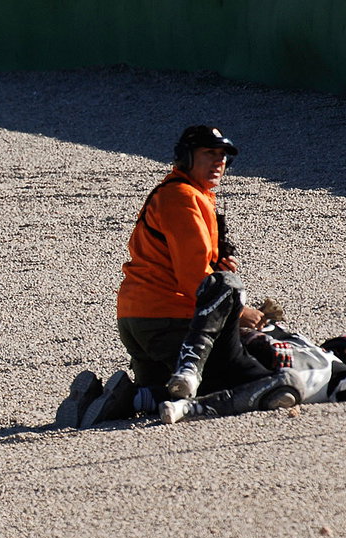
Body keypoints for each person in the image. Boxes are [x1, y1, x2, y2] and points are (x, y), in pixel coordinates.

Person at [77, 125, 263, 426]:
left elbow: (180, 262)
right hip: (169, 319)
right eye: (209, 153)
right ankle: (133, 397)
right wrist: (239, 310)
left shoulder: (180, 192)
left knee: (164, 394)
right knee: (234, 386)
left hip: (137, 318)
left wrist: (217, 268)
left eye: (223, 155)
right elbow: (193, 279)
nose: (219, 162)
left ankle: (126, 397)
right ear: (186, 157)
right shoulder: (183, 197)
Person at [161, 284, 346, 422]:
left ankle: (190, 408)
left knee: (287, 382)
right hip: (223, 353)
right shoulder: (296, 337)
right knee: (226, 287)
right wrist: (245, 315)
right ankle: (162, 382)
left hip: (257, 380)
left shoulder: (336, 377)